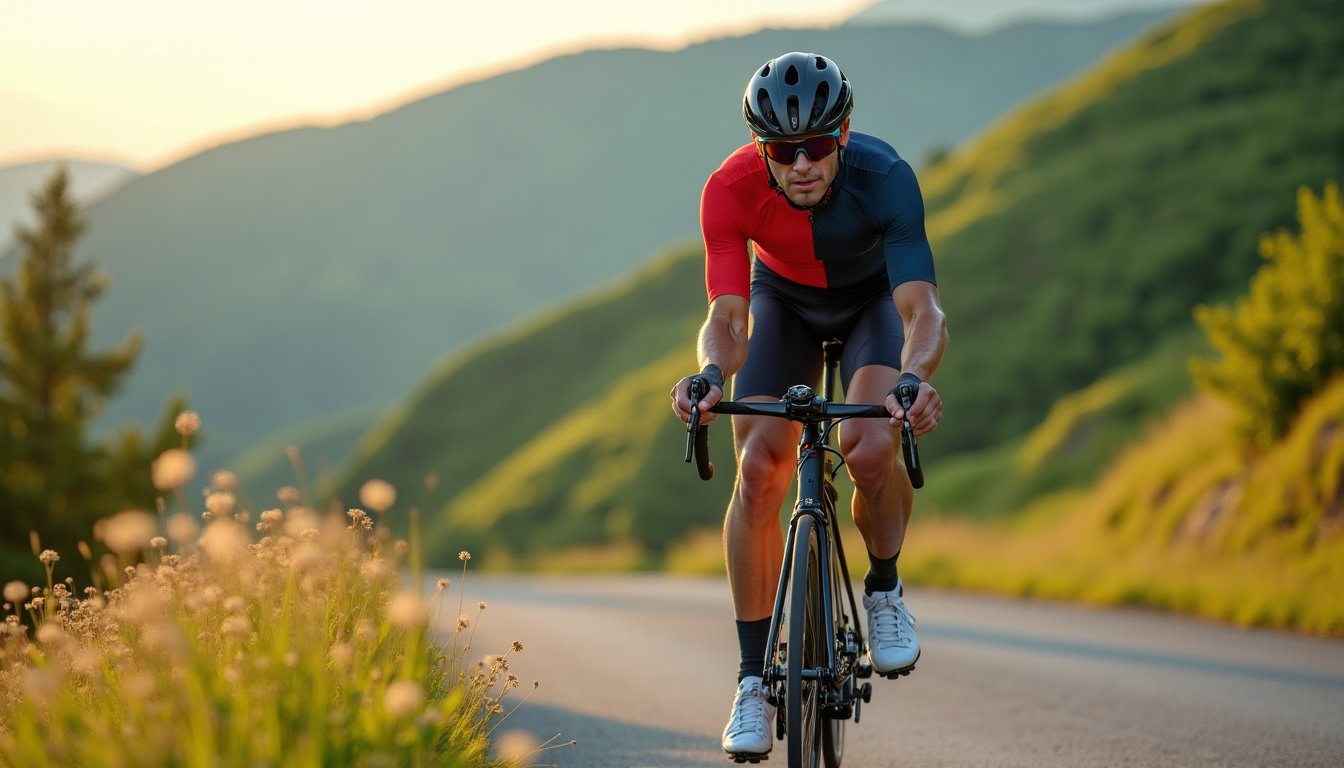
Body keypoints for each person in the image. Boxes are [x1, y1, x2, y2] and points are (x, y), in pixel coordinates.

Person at [669, 51, 948, 760]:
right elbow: (730, 320)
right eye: (783, 150)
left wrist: (913, 377)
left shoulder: (885, 180)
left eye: (817, 146)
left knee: (869, 445)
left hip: (870, 308)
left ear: (843, 134)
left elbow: (923, 312)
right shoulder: (728, 190)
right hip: (783, 305)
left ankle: (883, 590)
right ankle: (753, 681)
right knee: (761, 467)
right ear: (760, 148)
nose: (801, 164)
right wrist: (707, 373)